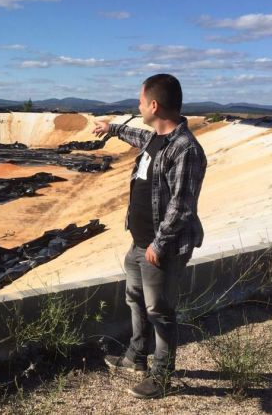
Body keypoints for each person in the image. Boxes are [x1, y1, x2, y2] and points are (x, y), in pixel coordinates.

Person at [93, 74, 207, 399]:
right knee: (135, 299)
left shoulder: (186, 150)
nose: (139, 106)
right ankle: (136, 356)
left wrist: (159, 245)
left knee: (160, 310)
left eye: (141, 102)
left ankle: (161, 376)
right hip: (139, 243)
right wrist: (112, 128)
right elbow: (136, 134)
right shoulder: (155, 139)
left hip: (160, 247)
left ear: (154, 105)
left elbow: (182, 206)